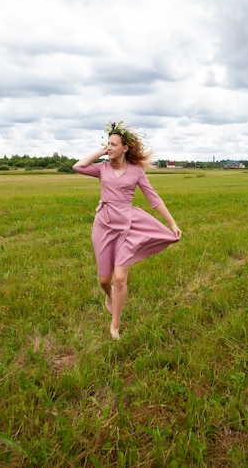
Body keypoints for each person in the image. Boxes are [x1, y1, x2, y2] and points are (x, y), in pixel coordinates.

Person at [73, 121, 182, 340]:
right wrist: (102, 151)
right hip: (103, 226)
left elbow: (154, 198)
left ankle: (115, 326)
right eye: (108, 144)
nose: (109, 147)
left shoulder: (136, 172)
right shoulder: (102, 168)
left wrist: (172, 223)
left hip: (126, 227)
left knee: (120, 278)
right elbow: (78, 166)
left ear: (125, 148)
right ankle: (108, 295)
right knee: (104, 280)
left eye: (113, 144)